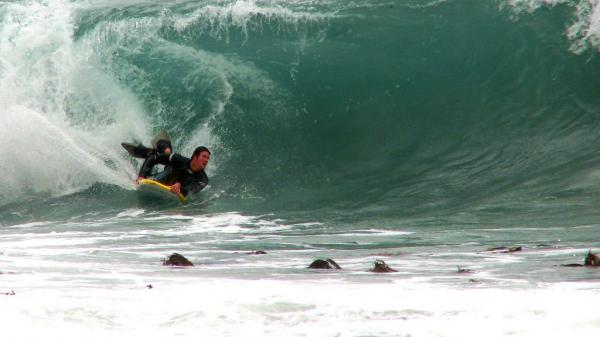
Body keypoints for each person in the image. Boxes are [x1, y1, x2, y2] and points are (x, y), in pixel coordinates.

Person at [137, 146, 210, 197]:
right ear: (195, 156)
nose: (206, 160)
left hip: (174, 186)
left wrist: (179, 186)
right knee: (164, 155)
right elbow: (154, 158)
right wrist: (141, 176)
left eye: (208, 158)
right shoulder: (179, 160)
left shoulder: (203, 180)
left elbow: (190, 191)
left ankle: (166, 151)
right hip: (166, 175)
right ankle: (160, 149)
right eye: (204, 156)